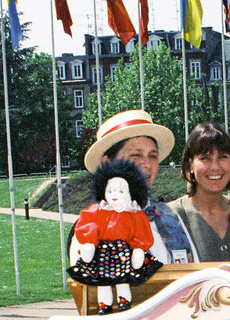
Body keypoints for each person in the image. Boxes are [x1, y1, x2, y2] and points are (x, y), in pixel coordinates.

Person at [83, 109, 196, 264]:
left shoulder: (171, 216)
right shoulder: (92, 224)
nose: (147, 164)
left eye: (153, 156)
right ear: (108, 162)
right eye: (136, 155)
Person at [67, 159, 161, 315]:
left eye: (120, 191)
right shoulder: (97, 212)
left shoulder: (134, 215)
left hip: (123, 254)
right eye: (110, 191)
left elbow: (140, 232)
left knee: (123, 279)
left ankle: (124, 301)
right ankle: (104, 303)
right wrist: (89, 244)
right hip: (103, 254)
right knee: (102, 280)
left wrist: (138, 249)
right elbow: (89, 225)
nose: (114, 195)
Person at [169, 123, 230, 262]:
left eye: (222, 157)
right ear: (190, 165)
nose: (215, 167)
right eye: (205, 158)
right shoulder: (172, 215)